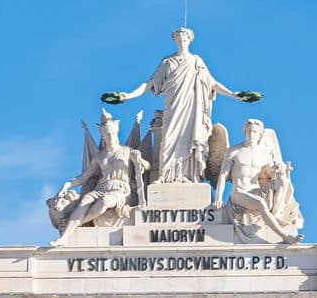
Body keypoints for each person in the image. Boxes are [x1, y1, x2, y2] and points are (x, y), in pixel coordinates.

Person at [100, 28, 260, 184]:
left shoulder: (197, 62)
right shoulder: (167, 63)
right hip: (173, 109)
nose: (182, 42)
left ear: (190, 40)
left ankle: (191, 177)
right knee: (168, 139)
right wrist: (127, 96)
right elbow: (148, 84)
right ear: (174, 40)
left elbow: (213, 83)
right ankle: (165, 176)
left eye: (184, 39)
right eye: (178, 39)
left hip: (192, 111)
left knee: (190, 140)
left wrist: (234, 94)